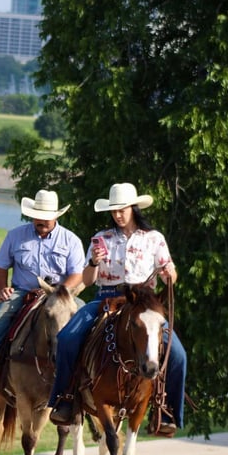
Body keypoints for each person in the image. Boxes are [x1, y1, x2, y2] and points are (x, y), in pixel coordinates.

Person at [47, 183, 187, 436]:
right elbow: (88, 280)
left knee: (178, 354)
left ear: (133, 208)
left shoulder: (154, 238)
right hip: (107, 297)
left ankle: (167, 410)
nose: (118, 215)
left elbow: (171, 275)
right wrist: (93, 262)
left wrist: (169, 274)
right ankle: (65, 399)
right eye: (114, 211)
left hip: (143, 302)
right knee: (67, 338)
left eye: (122, 210)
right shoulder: (101, 238)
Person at [0, 189, 86, 394]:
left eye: (46, 217)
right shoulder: (15, 236)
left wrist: (61, 291)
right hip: (23, 291)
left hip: (59, 294)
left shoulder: (70, 240)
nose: (42, 221)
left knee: (84, 322)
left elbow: (78, 274)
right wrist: (3, 289)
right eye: (38, 216)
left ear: (56, 216)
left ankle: (80, 374)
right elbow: (0, 266)